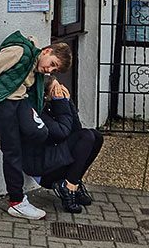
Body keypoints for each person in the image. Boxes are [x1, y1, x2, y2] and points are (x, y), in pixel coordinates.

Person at [0, 31, 60, 220]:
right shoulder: (19, 51)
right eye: (52, 64)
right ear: (47, 51)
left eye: (54, 69)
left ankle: (3, 135)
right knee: (13, 151)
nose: (49, 70)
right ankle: (17, 202)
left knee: (39, 132)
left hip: (18, 99)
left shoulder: (35, 62)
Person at [33, 72, 105, 215]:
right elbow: (61, 133)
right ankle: (68, 186)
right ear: (45, 94)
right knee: (85, 136)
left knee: (95, 136)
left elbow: (76, 130)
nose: (59, 92)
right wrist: (61, 103)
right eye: (55, 90)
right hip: (44, 170)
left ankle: (73, 182)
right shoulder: (39, 109)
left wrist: (68, 103)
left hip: (56, 159)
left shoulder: (54, 105)